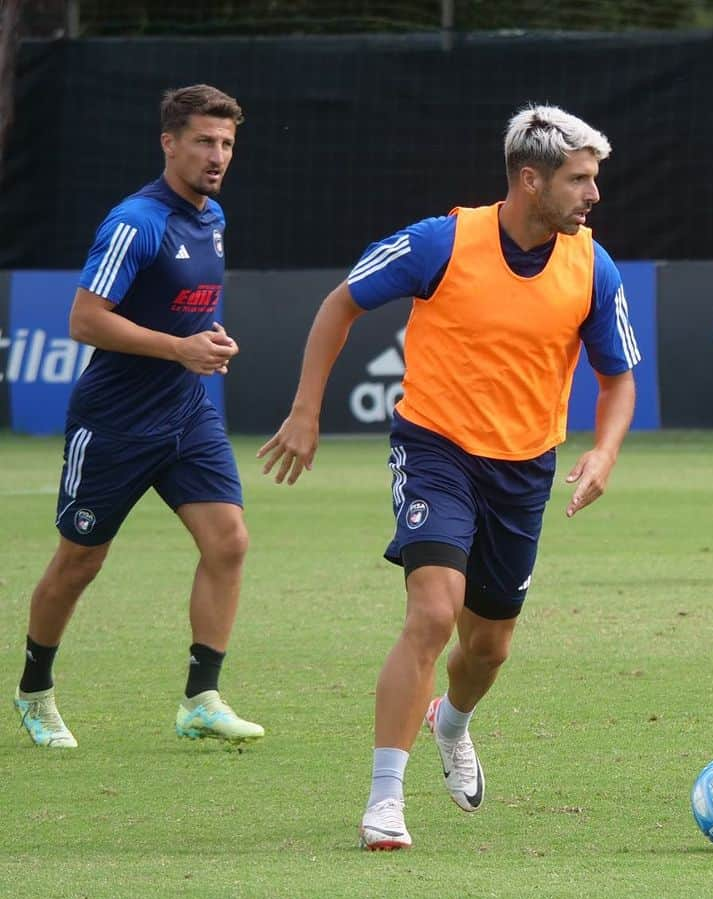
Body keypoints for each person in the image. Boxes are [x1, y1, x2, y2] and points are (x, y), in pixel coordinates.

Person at [258, 104, 640, 850]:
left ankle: (452, 722)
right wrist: (306, 411)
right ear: (530, 180)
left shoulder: (593, 264)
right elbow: (342, 303)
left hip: (526, 468)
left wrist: (605, 452)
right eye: (580, 180)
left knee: (489, 647)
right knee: (434, 613)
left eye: (594, 179)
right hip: (435, 450)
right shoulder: (441, 241)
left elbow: (619, 377)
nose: (593, 195)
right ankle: (384, 800)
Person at [13, 84, 264, 748]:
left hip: (185, 413)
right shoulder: (136, 221)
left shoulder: (212, 218)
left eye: (227, 144)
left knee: (229, 542)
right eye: (205, 141)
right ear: (170, 143)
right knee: (80, 562)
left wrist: (208, 339)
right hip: (116, 419)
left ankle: (200, 700)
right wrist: (180, 348)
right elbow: (84, 319)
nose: (217, 155)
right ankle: (34, 690)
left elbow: (186, 308)